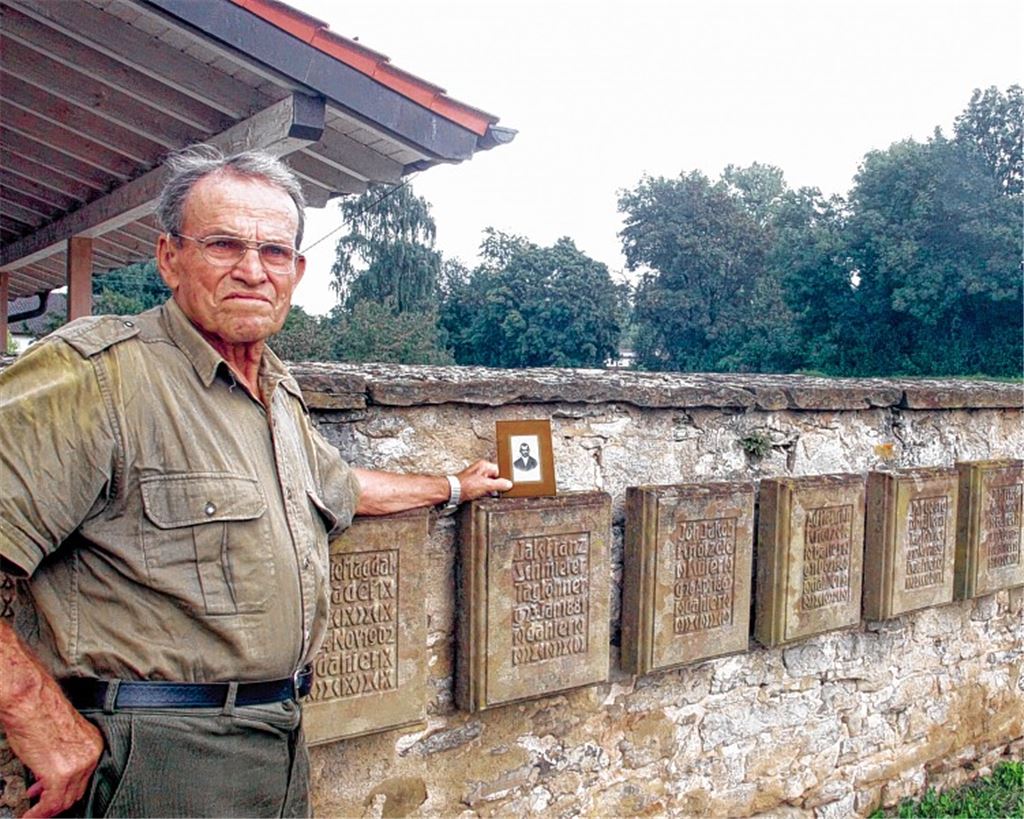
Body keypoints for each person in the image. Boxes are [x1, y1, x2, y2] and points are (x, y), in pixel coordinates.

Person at [0, 145, 512, 818]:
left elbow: (334, 488)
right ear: (168, 257)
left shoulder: (274, 389)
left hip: (278, 744)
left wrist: (452, 485)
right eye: (223, 244)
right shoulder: (103, 376)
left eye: (274, 252)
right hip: (155, 758)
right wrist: (40, 719)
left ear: (296, 271)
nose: (252, 270)